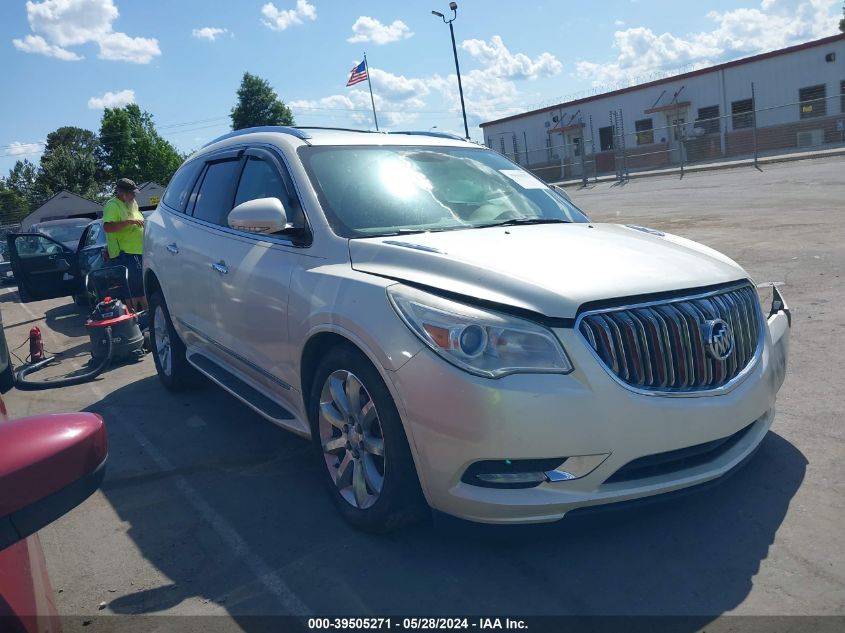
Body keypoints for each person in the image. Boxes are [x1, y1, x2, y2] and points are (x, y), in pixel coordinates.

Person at [103, 178, 146, 311]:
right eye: (132, 193)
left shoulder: (131, 205)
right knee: (133, 289)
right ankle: (137, 318)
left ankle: (146, 317)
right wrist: (128, 222)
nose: (134, 196)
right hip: (126, 253)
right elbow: (108, 227)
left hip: (138, 252)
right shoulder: (112, 205)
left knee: (141, 288)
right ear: (122, 193)